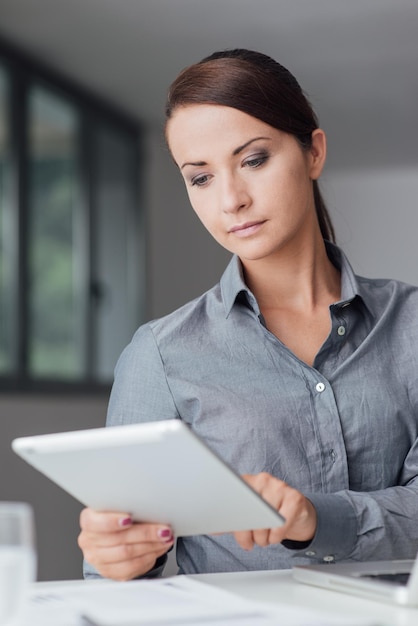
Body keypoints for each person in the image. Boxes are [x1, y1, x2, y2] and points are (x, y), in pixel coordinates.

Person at [78, 48, 418, 581]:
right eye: (200, 177)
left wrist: (315, 518)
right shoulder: (161, 356)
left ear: (313, 153)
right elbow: (117, 575)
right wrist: (118, 558)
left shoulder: (412, 326)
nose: (230, 199)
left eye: (253, 159)